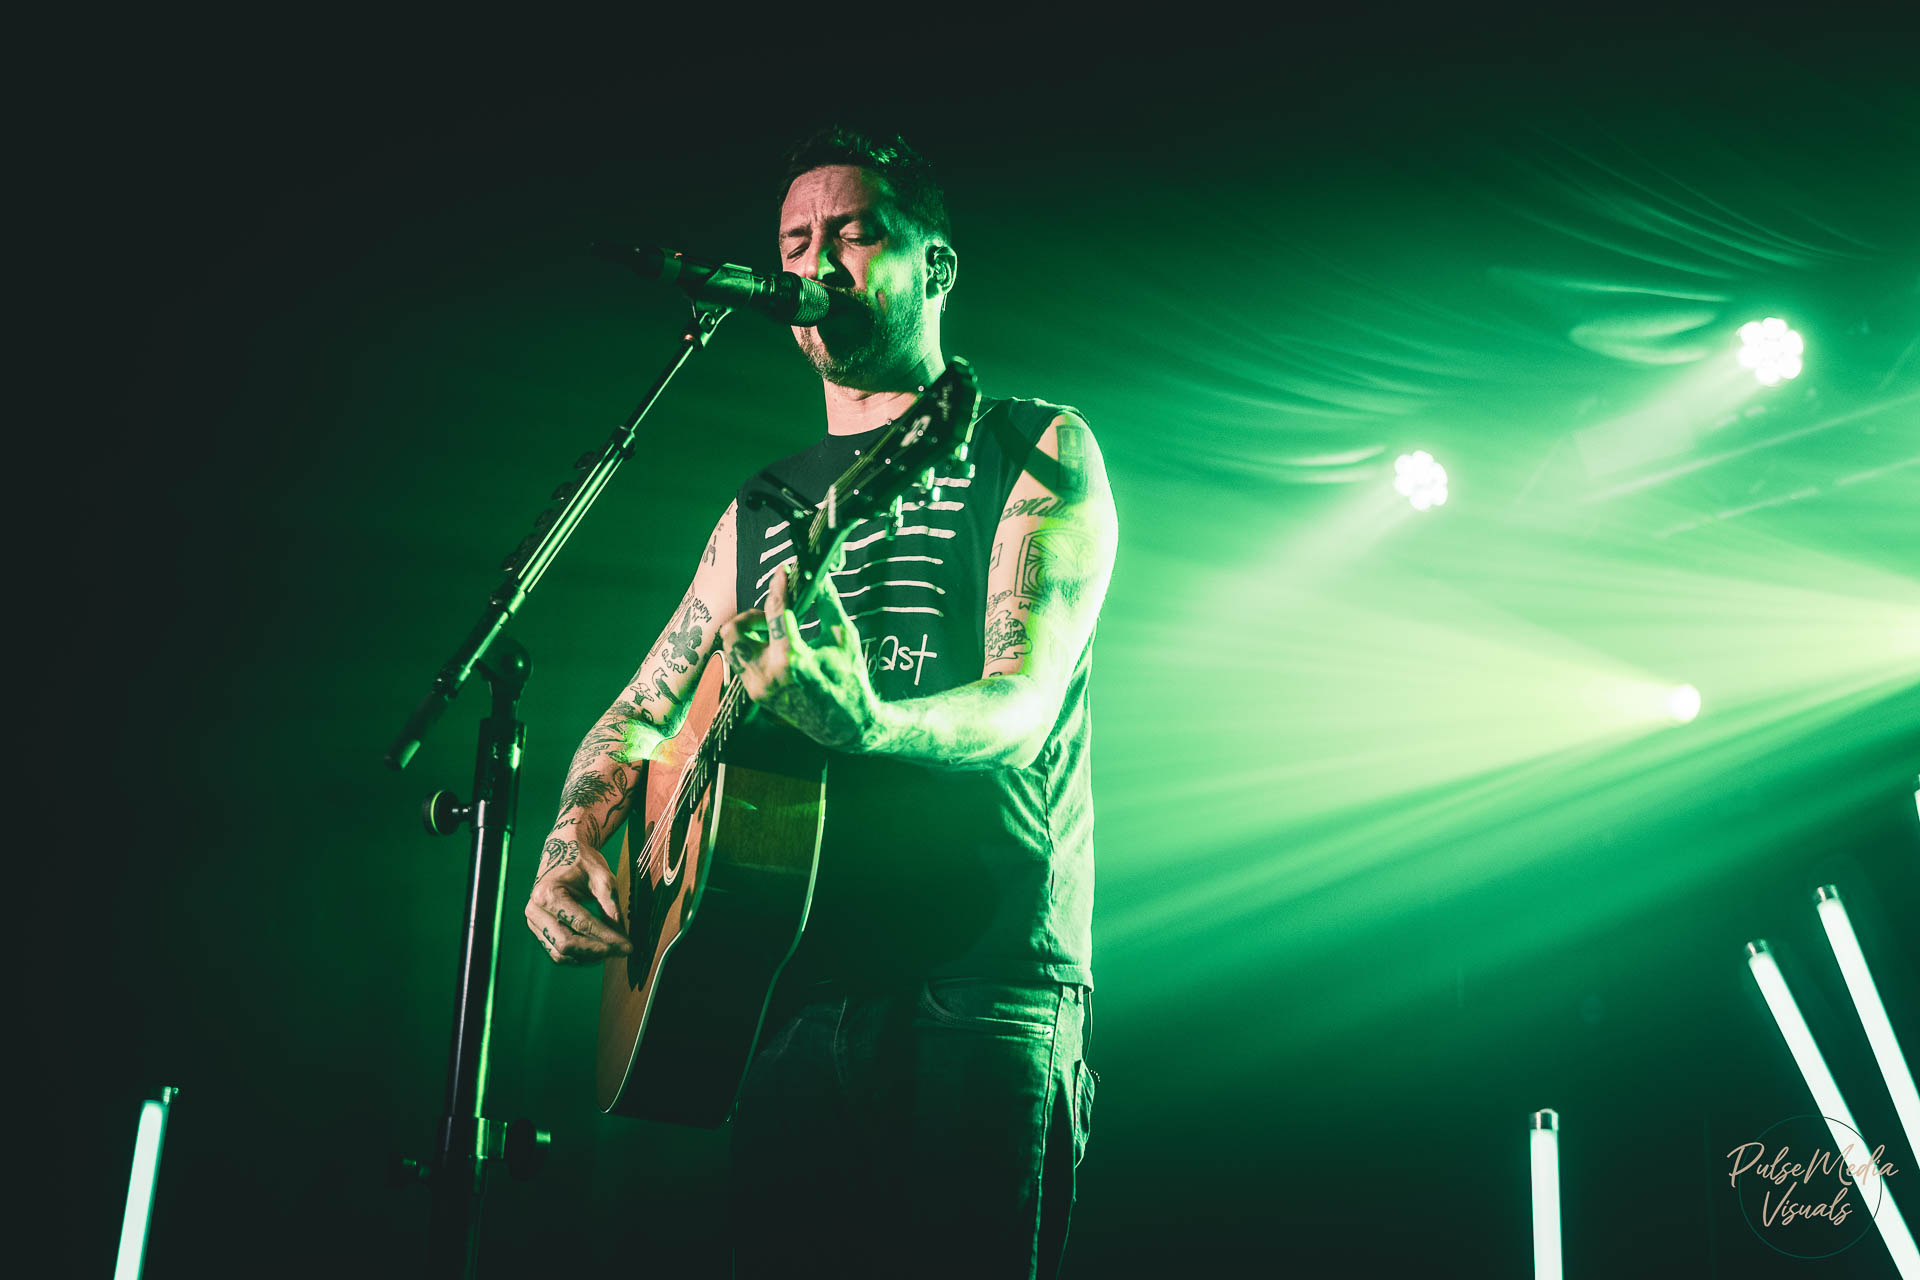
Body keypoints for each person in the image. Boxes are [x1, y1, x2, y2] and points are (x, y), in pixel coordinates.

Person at [522, 124, 1117, 1278]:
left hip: (979, 981)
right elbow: (642, 706)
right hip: (783, 985)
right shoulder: (762, 504)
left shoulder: (1031, 444)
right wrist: (571, 835)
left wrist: (873, 724)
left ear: (937, 267)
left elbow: (1025, 705)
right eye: (794, 240)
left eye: (852, 233)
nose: (813, 261)